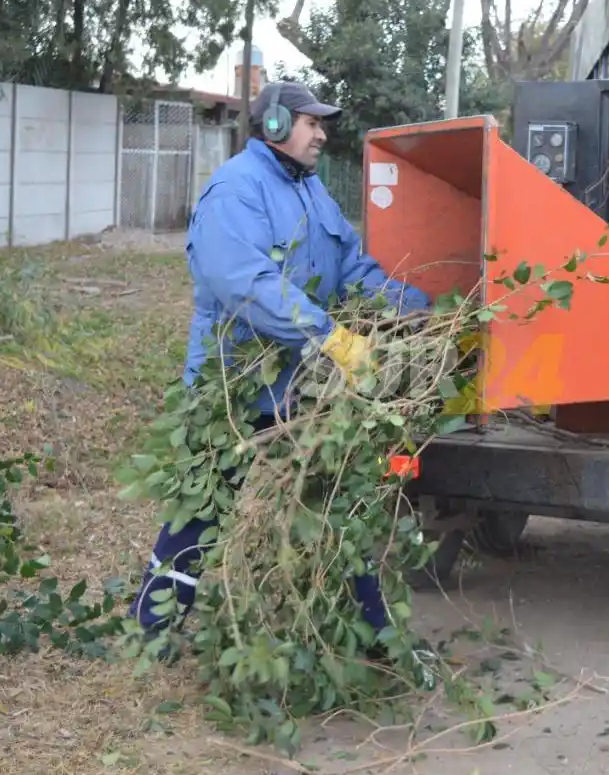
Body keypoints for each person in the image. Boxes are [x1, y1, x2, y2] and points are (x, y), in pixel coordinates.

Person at [129, 82, 431, 643]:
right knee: (201, 513)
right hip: (234, 386)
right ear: (273, 125)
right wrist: (330, 338)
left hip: (301, 387)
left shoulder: (313, 192)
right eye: (311, 122)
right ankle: (153, 631)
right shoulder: (235, 191)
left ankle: (374, 634)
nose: (322, 133)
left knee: (336, 501)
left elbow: (352, 271)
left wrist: (422, 312)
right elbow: (247, 283)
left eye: (322, 123)